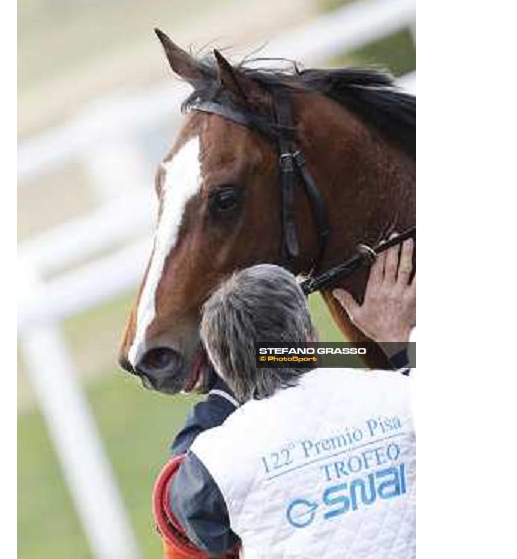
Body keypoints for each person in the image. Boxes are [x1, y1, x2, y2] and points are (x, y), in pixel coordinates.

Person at [153, 239, 416, 559]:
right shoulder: (401, 395)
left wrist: (221, 398)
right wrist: (400, 343)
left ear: (223, 367)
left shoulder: (216, 461)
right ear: (309, 338)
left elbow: (177, 514)